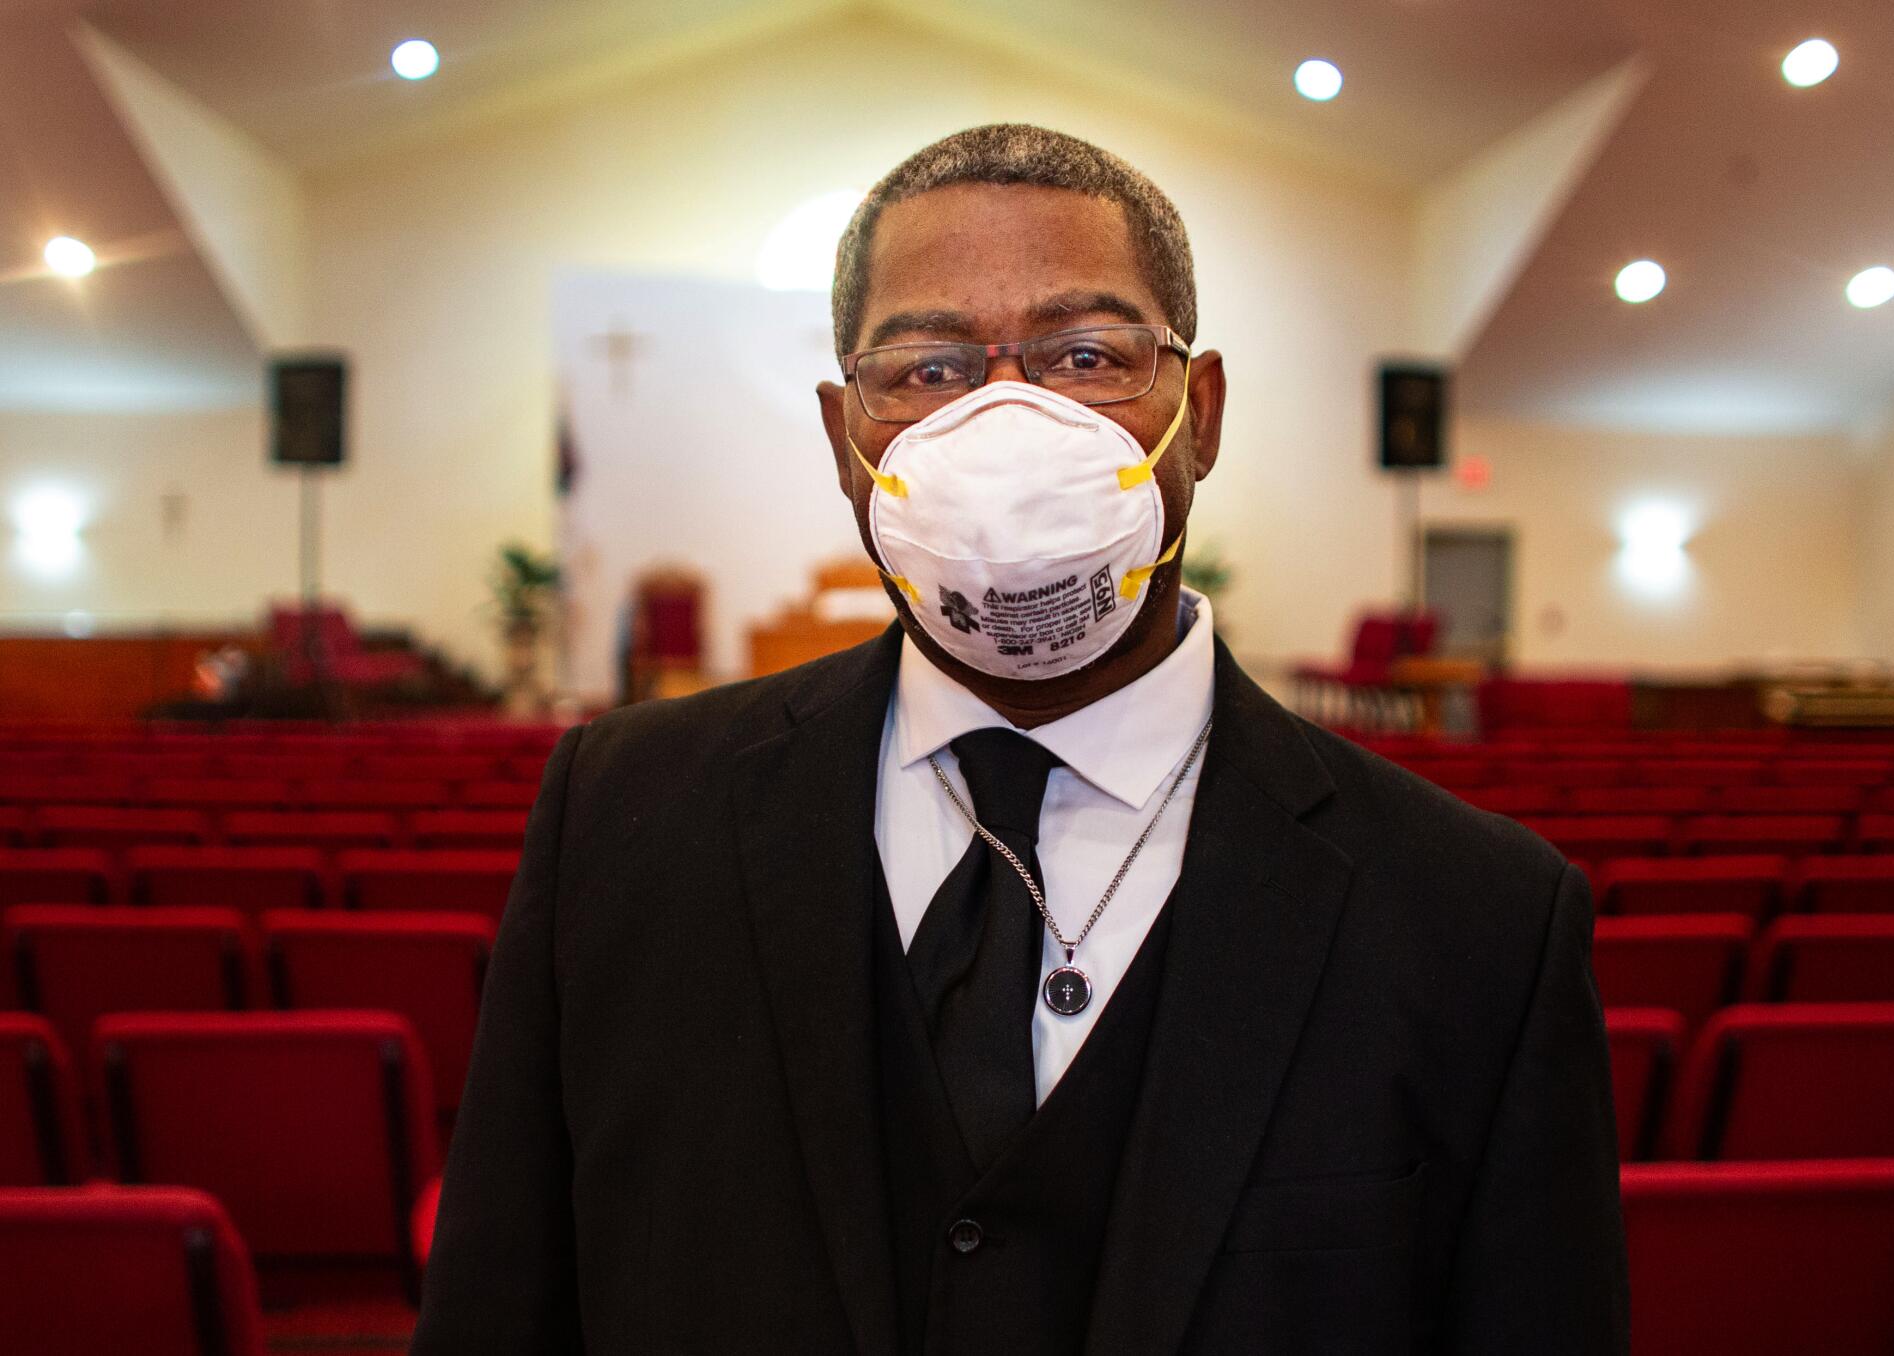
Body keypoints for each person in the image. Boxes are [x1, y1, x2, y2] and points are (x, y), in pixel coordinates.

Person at [412, 123, 1629, 1355]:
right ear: (848, 437)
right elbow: (502, 1304)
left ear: (1196, 416)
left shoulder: (1475, 918)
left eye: (1087, 354)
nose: (1004, 426)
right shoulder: (619, 820)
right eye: (928, 370)